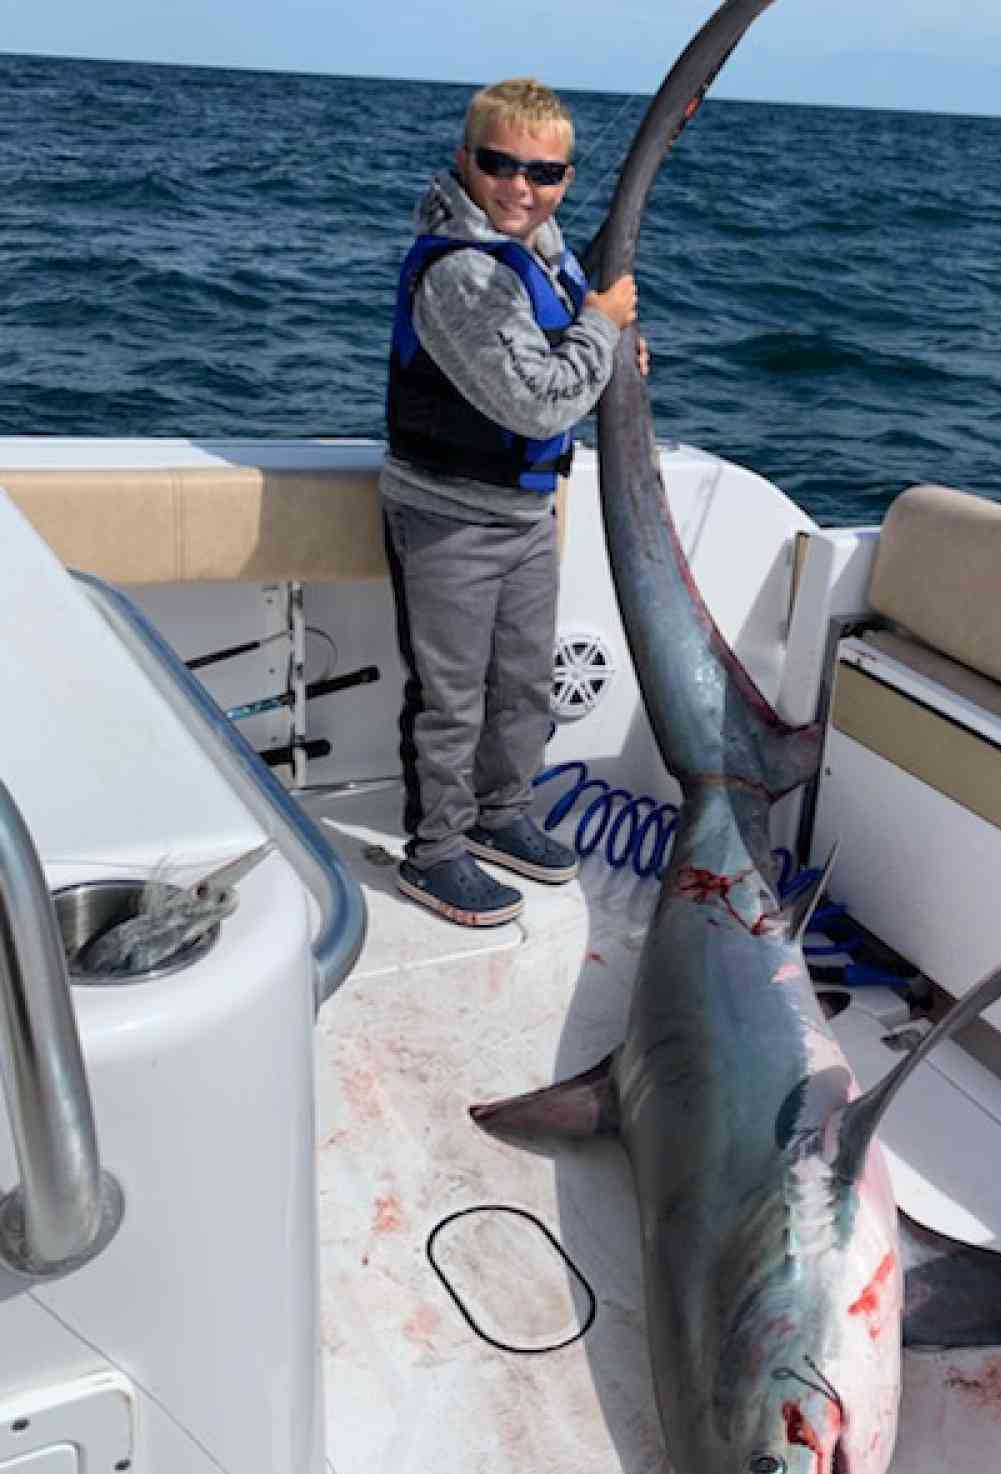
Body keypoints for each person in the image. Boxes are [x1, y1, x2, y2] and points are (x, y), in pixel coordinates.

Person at [382, 77, 638, 927]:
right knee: (451, 700)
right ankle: (438, 852)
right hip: (447, 518)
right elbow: (535, 400)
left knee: (524, 685)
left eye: (545, 173)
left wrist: (605, 344)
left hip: (525, 516)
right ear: (466, 162)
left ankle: (501, 814)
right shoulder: (462, 272)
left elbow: (569, 341)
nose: (521, 187)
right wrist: (602, 330)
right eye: (500, 166)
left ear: (566, 178)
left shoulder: (543, 247)